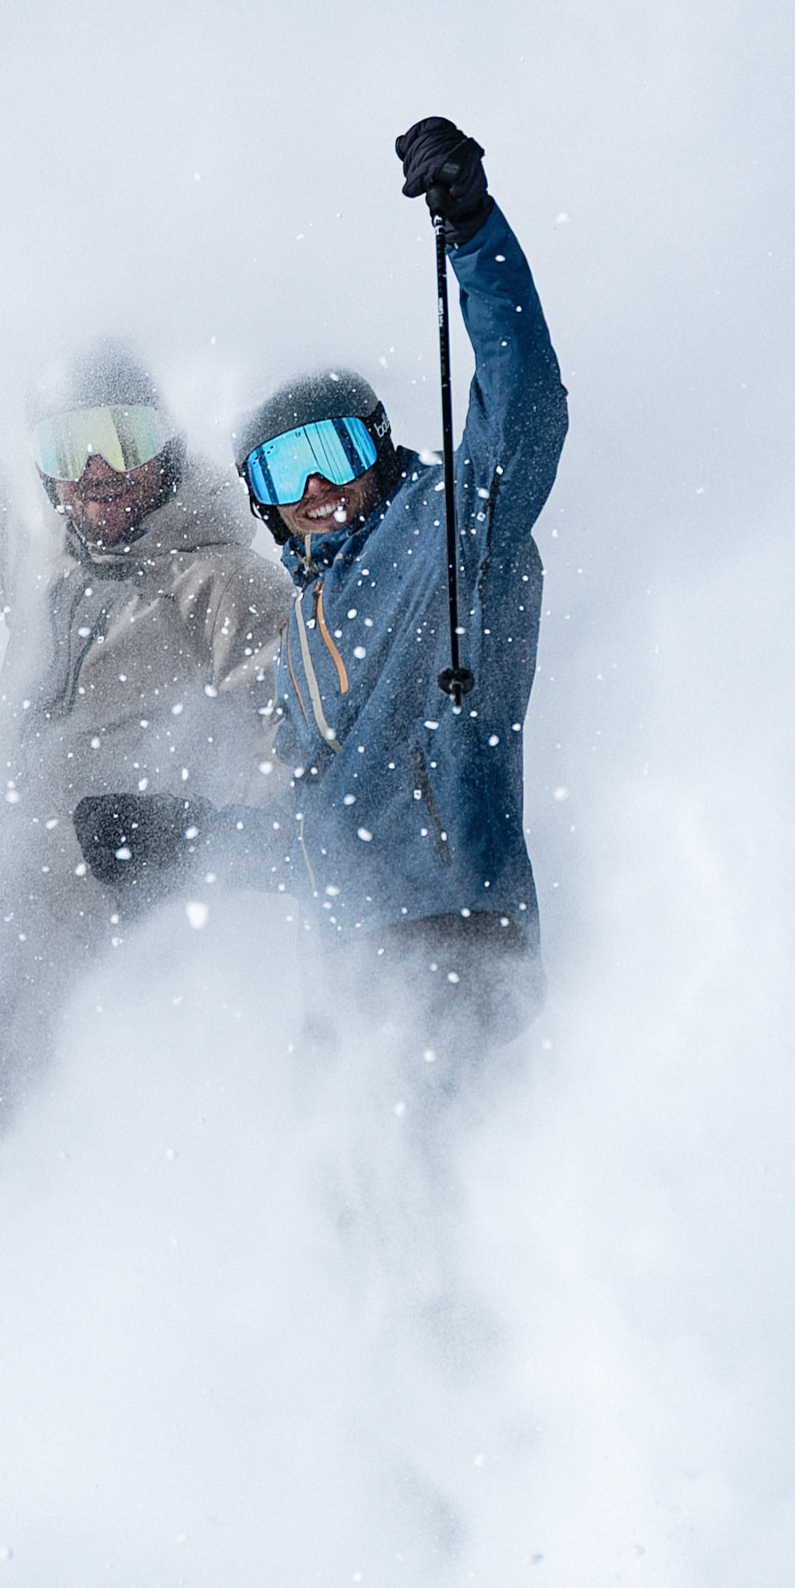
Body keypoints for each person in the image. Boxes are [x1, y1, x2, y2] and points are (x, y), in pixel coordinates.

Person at [0, 203, 293, 1208]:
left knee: (106, 1172)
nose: (98, 475)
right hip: (18, 939)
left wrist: (201, 855)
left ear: (165, 450)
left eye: (123, 440)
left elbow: (286, 737)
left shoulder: (217, 581)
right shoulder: (39, 572)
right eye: (73, 448)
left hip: (134, 942)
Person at [235, 116, 566, 1110]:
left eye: (336, 450)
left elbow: (527, 407)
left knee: (427, 1191)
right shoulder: (300, 632)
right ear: (265, 503)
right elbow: (315, 818)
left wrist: (471, 228)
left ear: (379, 449)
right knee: (334, 1225)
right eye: (286, 471)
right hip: (343, 972)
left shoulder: (447, 529)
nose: (320, 486)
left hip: (453, 930)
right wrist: (178, 840)